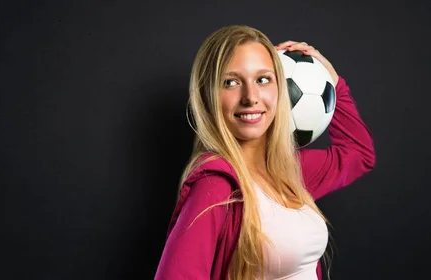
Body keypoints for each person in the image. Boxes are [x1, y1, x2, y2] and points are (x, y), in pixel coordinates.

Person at [154, 25, 376, 280]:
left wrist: (332, 80)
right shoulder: (216, 188)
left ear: (279, 88)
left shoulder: (289, 172)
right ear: (208, 96)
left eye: (262, 79)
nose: (251, 97)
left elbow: (359, 153)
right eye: (231, 82)